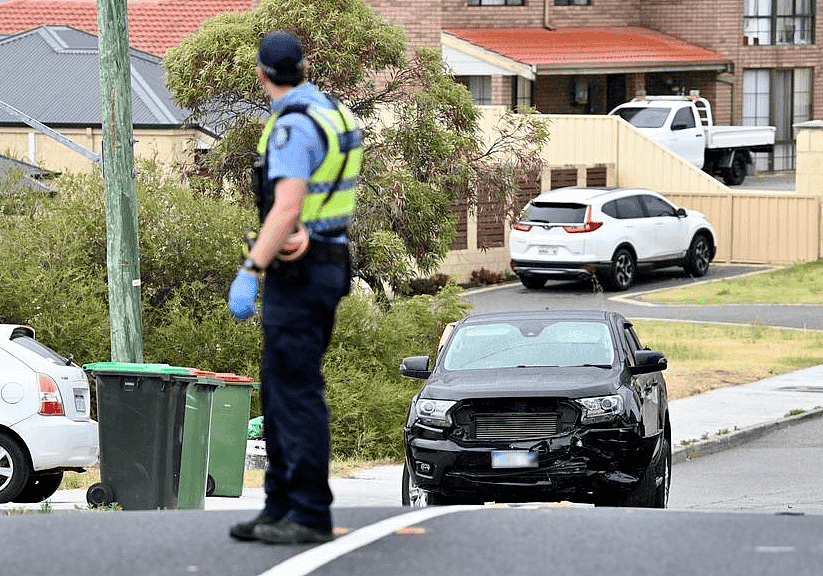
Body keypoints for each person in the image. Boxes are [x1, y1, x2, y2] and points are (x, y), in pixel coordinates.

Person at [227, 30, 362, 545]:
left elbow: (287, 203)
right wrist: (305, 227)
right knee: (279, 391)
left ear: (261, 74)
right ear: (303, 68)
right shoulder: (336, 113)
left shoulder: (292, 127)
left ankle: (307, 514)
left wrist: (251, 268)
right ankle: (278, 506)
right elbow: (323, 196)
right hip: (326, 260)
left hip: (299, 275)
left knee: (297, 394)